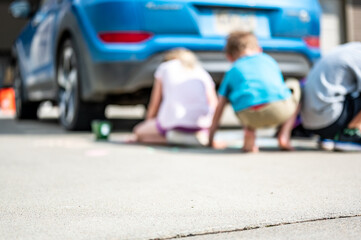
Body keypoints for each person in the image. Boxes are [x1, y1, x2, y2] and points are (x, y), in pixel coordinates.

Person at [208, 31, 300, 152]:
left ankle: (249, 133)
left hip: (248, 115)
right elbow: (279, 89)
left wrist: (210, 139)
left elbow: (220, 106)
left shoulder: (232, 70)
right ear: (259, 49)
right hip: (278, 111)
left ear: (229, 57)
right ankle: (284, 135)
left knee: (244, 95)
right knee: (294, 85)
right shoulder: (269, 60)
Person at [133, 48, 218, 145]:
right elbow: (214, 103)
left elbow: (155, 104)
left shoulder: (164, 67)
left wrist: (148, 123)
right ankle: (194, 139)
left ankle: (174, 139)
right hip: (201, 126)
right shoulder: (202, 71)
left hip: (174, 124)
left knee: (139, 132)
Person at [301, 42, 361, 151]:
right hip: (331, 121)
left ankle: (330, 137)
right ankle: (349, 135)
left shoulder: (352, 49)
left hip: (311, 124)